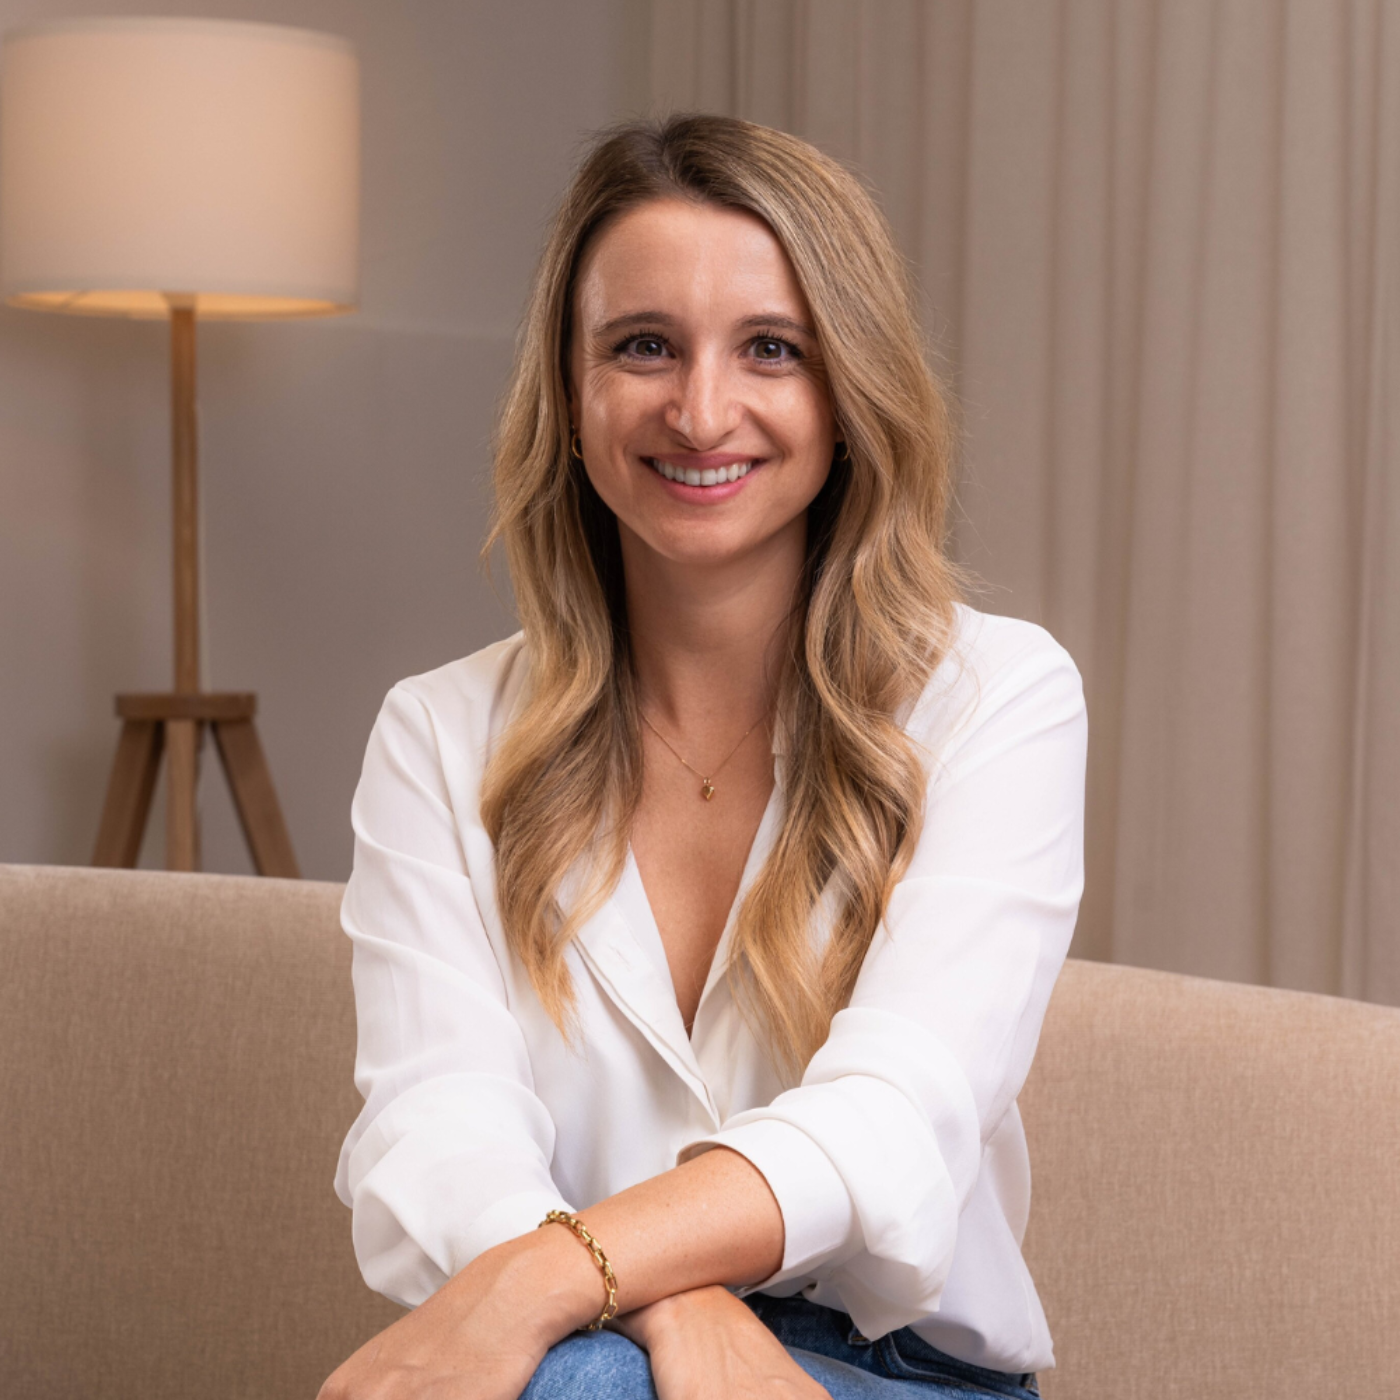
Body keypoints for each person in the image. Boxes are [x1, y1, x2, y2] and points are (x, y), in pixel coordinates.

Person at [320, 114, 1087, 1400]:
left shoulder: (996, 697)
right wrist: (664, 1300)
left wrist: (555, 1274)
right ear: (570, 393)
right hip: (570, 1345)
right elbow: (433, 1124)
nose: (700, 409)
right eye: (643, 345)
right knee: (584, 1382)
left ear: (846, 394)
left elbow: (892, 1116)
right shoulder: (438, 733)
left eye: (770, 348)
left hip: (898, 1374)